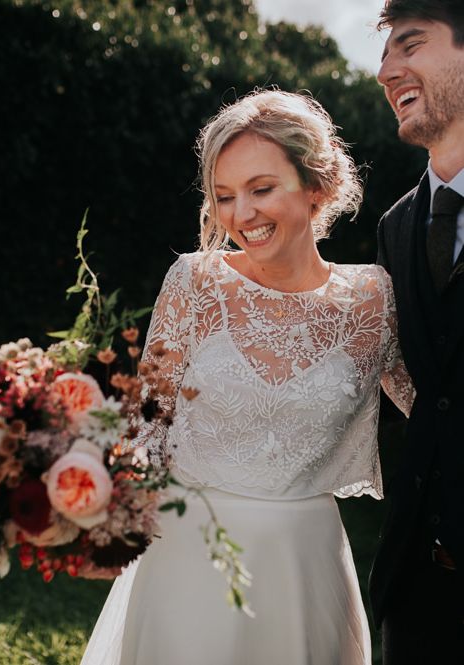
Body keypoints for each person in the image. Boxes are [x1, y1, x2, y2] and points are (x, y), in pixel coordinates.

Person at [80, 89, 413, 665]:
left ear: (318, 186)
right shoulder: (193, 283)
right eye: (225, 196)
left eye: (262, 189)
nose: (242, 215)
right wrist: (89, 502)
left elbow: (436, 407)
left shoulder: (372, 299)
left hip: (304, 567)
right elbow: (148, 424)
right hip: (188, 557)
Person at [370, 1, 464, 662]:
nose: (385, 70)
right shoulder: (393, 226)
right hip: (414, 590)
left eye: (410, 44)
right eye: (381, 54)